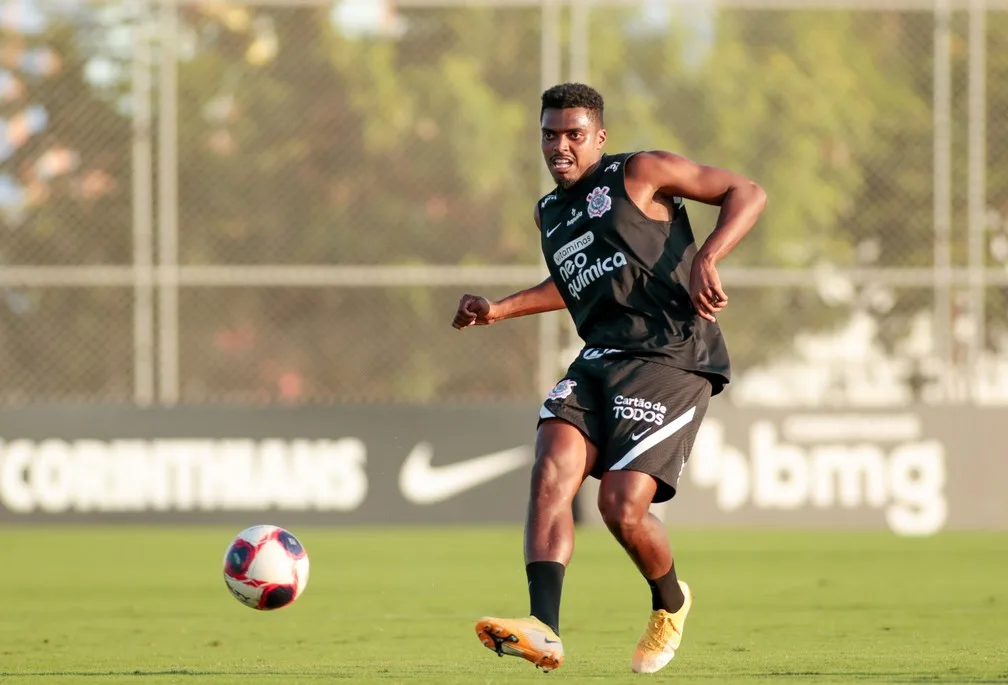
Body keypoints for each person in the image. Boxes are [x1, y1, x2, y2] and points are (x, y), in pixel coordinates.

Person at [451, 83, 767, 675]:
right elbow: (575, 286)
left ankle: (671, 601)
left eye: (574, 134)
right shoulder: (549, 212)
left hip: (672, 356)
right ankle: (543, 628)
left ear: (599, 136)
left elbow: (746, 191)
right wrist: (497, 310)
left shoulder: (640, 172)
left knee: (620, 506)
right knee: (551, 468)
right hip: (600, 357)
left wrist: (709, 255)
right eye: (550, 134)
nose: (560, 146)